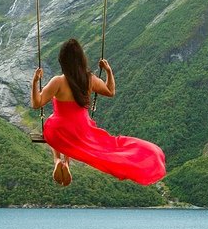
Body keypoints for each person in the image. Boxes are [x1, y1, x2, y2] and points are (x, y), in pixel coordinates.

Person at [31, 38, 166, 187]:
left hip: (60, 131)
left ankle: (58, 160)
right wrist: (108, 70)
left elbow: (37, 103)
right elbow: (110, 91)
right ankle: (67, 163)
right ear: (82, 60)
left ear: (62, 61)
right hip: (81, 131)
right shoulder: (89, 80)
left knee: (53, 125)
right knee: (79, 136)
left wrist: (35, 82)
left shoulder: (57, 82)